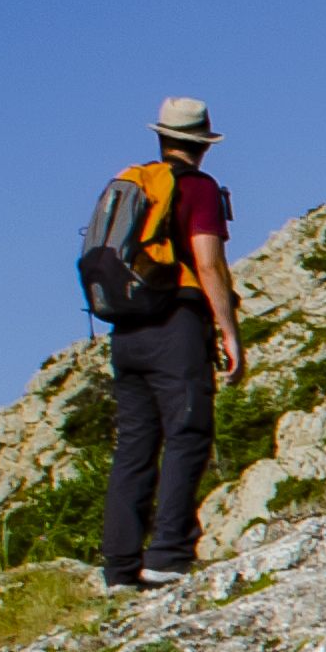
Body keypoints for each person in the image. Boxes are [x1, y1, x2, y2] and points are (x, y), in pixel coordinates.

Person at [95, 95, 245, 591]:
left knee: (134, 446)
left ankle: (119, 569)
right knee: (187, 434)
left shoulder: (134, 182)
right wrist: (229, 331)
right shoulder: (198, 189)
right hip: (175, 325)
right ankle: (168, 556)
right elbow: (208, 265)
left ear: (162, 137)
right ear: (203, 144)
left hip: (126, 330)